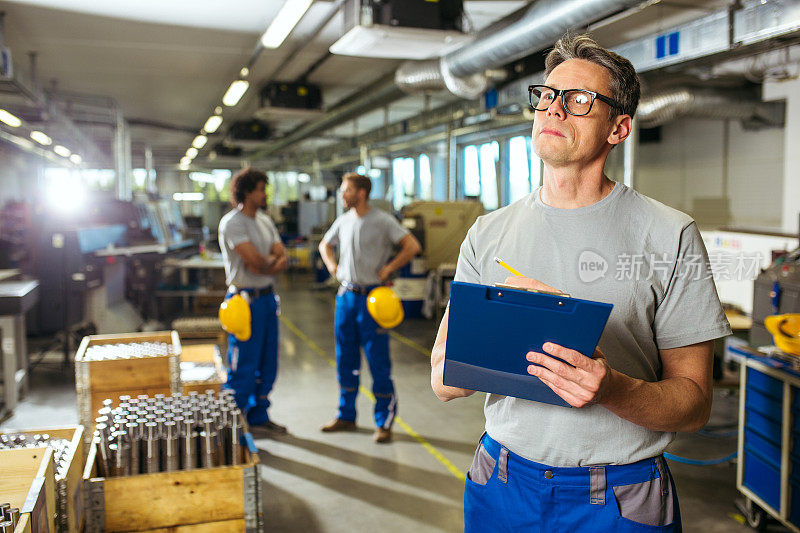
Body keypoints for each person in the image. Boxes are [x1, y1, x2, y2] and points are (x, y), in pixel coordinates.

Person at [430, 33, 731, 532]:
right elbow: (442, 379)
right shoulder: (488, 233)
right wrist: (503, 333)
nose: (554, 109)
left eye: (579, 99)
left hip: (618, 496)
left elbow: (695, 403)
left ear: (619, 127)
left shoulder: (670, 234)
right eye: (547, 96)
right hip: (502, 483)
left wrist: (610, 389)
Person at [319, 172, 422, 443]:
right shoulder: (343, 221)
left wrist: (389, 267)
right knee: (346, 360)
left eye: (346, 190)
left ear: (361, 193)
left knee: (378, 362)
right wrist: (333, 267)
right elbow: (324, 245)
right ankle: (346, 415)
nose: (342, 195)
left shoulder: (383, 221)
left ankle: (383, 421)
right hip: (346, 297)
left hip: (372, 300)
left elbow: (412, 245)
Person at [219, 167, 288, 432]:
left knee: (267, 362)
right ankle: (235, 425)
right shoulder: (232, 223)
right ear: (247, 192)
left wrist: (268, 264)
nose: (264, 194)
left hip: (267, 299)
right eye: (261, 189)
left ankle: (259, 416)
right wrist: (269, 262)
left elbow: (280, 257)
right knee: (244, 365)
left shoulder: (265, 220)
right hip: (243, 303)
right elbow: (255, 262)